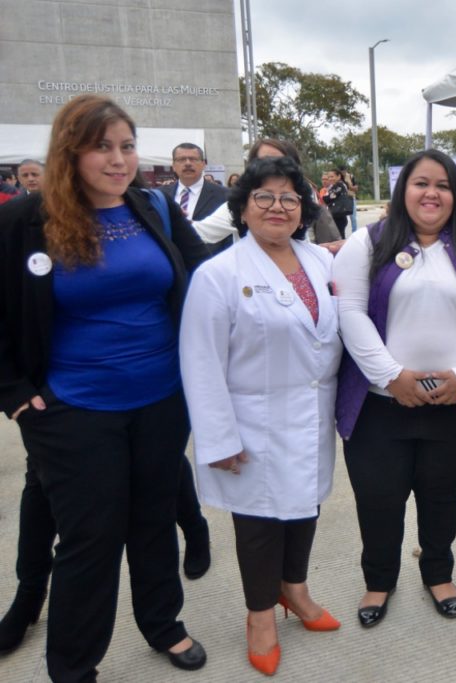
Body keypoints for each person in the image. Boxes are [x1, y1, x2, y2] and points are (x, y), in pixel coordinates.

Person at [0, 95, 208, 680]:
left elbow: (209, 270)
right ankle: (72, 667)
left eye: (127, 146)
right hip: (72, 408)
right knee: (91, 539)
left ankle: (162, 624)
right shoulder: (24, 221)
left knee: (154, 519)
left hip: (162, 398)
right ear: (70, 152)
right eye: (102, 147)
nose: (119, 160)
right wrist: (13, 394)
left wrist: (292, 259)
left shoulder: (152, 206)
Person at [334, 149, 456, 626]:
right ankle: (379, 580)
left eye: (442, 185)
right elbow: (349, 312)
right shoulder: (366, 243)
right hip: (380, 405)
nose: (431, 193)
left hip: (452, 402)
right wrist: (390, 376)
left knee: (442, 494)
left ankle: (438, 572)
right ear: (404, 191)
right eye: (421, 183)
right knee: (379, 499)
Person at [180, 156, 341, 676]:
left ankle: (294, 589)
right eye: (264, 197)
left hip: (311, 413)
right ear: (243, 208)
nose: (278, 207)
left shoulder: (320, 261)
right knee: (259, 522)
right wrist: (217, 438)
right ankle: (259, 616)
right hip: (251, 423)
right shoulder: (219, 274)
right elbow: (201, 362)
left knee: (306, 505)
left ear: (303, 209)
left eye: (289, 198)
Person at [191, 139, 342, 251]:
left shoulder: (316, 261)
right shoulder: (218, 273)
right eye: (263, 161)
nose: (277, 208)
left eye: (280, 161)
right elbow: (201, 232)